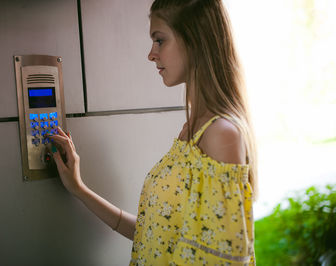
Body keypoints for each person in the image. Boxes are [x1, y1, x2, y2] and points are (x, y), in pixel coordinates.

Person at [48, 0, 257, 264]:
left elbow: (227, 259)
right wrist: (79, 189)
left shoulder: (221, 135)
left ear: (196, 40)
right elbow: (154, 237)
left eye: (160, 40)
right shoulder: (190, 130)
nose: (151, 53)